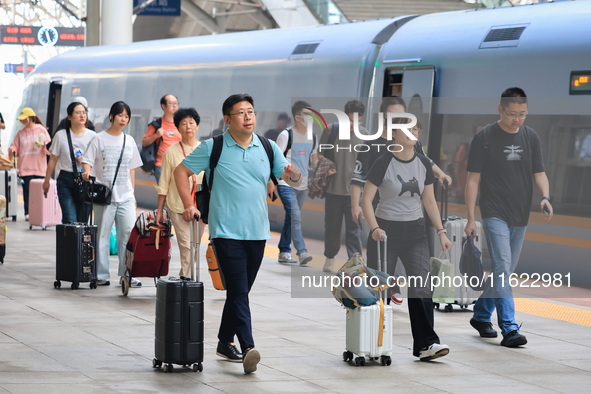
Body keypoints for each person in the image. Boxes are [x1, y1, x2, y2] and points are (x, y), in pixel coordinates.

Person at [174, 93, 301, 374]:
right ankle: (248, 347)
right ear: (227, 120)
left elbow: (289, 175)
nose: (248, 117)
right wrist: (187, 205)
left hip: (257, 233)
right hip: (225, 232)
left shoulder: (267, 147)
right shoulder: (214, 147)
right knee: (239, 292)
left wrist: (294, 174)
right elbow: (180, 172)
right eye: (241, 113)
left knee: (238, 292)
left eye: (251, 112)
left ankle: (223, 342)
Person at [464, 87, 553, 347]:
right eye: (513, 114)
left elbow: (539, 172)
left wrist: (545, 197)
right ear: (500, 109)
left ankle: (481, 315)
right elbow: (473, 180)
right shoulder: (484, 137)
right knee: (503, 265)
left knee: (505, 269)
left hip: (520, 214)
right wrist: (471, 218)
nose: (518, 119)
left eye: (523, 114)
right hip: (494, 212)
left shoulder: (531, 137)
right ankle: (509, 328)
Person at [361, 119, 452, 361]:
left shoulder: (423, 164)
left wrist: (442, 231)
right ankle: (374, 343)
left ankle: (426, 345)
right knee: (381, 290)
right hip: (385, 233)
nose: (413, 134)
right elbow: (366, 200)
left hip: (416, 232)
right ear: (394, 135)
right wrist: (374, 228)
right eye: (407, 130)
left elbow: (430, 201)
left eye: (416, 130)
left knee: (421, 287)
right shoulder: (383, 163)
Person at [351, 97, 453, 301]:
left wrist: (441, 174)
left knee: (418, 282)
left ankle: (395, 288)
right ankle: (384, 300)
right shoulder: (371, 146)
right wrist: (356, 205)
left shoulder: (414, 145)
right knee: (380, 277)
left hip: (412, 224)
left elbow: (426, 164)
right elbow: (358, 179)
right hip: (383, 218)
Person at [81, 101, 143, 287]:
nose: (123, 119)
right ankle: (101, 275)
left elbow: (132, 169)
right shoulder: (99, 139)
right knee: (102, 235)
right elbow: (87, 160)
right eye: (120, 115)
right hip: (104, 197)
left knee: (128, 235)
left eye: (126, 116)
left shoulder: (129, 140)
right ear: (111, 116)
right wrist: (86, 172)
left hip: (125, 196)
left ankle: (127, 274)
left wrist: (133, 195)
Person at [155, 108, 205, 277]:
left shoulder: (204, 149)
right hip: (178, 206)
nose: (188, 126)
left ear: (197, 126)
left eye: (191, 122)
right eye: (183, 123)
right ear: (178, 127)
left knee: (195, 247)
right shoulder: (171, 152)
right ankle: (186, 282)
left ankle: (184, 279)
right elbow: (163, 184)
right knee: (187, 246)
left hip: (200, 207)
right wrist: (160, 211)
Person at [319, 100, 365, 273]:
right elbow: (318, 155)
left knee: (354, 231)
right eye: (349, 120)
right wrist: (325, 167)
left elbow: (366, 166)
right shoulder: (331, 131)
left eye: (356, 121)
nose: (353, 125)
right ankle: (330, 258)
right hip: (333, 190)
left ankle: (356, 264)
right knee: (332, 227)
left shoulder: (365, 135)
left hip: (355, 194)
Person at [275, 101, 318, 265]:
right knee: (295, 216)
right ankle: (302, 251)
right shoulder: (286, 135)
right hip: (286, 183)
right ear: (298, 117)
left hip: (302, 184)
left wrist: (324, 169)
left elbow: (314, 159)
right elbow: (277, 160)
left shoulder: (313, 136)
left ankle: (284, 251)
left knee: (291, 218)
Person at [43, 101, 96, 223]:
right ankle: (69, 241)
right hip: (65, 180)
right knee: (70, 219)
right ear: (69, 116)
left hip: (86, 180)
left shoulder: (93, 136)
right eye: (78, 112)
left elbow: (98, 161)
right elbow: (53, 159)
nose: (82, 115)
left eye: (84, 112)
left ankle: (76, 243)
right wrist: (46, 181)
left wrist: (85, 161)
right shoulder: (60, 136)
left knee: (83, 221)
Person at [8, 107, 51, 221]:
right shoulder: (20, 133)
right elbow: (14, 146)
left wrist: (43, 145)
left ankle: (40, 213)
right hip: (25, 168)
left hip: (39, 168)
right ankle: (28, 213)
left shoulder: (41, 130)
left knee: (39, 192)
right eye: (21, 119)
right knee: (27, 191)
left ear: (31, 118)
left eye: (24, 119)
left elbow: (50, 148)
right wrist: (12, 151)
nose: (22, 121)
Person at [141, 94, 181, 183]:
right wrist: (156, 136)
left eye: (176, 103)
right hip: (162, 166)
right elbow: (144, 142)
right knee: (165, 194)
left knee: (177, 195)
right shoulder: (157, 124)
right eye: (171, 103)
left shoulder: (181, 123)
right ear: (163, 106)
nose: (174, 105)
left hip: (179, 165)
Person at [452, 125, 482, 197]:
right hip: (463, 189)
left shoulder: (483, 149)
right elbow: (456, 166)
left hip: (479, 191)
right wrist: (457, 185)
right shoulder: (466, 148)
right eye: (479, 131)